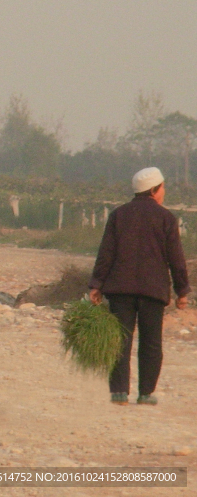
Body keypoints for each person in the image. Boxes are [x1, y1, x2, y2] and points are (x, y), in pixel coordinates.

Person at [89, 167, 189, 406]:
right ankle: (145, 393)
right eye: (163, 187)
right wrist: (182, 290)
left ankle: (119, 393)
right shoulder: (166, 218)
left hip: (120, 289)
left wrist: (97, 284)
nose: (164, 192)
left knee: (119, 340)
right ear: (154, 190)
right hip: (153, 291)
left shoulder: (118, 215)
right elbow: (176, 258)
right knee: (151, 343)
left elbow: (106, 253)